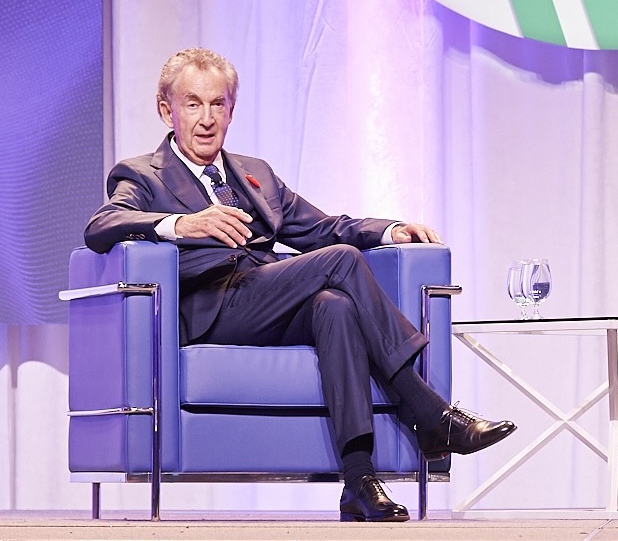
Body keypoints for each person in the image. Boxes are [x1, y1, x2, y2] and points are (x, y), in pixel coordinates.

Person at [85, 47, 516, 523]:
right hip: (212, 307)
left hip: (267, 294)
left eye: (217, 104)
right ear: (167, 110)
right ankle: (429, 412)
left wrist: (389, 230)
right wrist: (179, 225)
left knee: (336, 306)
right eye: (192, 104)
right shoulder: (142, 173)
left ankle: (358, 482)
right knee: (342, 264)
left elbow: (321, 227)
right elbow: (103, 224)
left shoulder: (256, 174)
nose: (206, 119)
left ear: (230, 110)